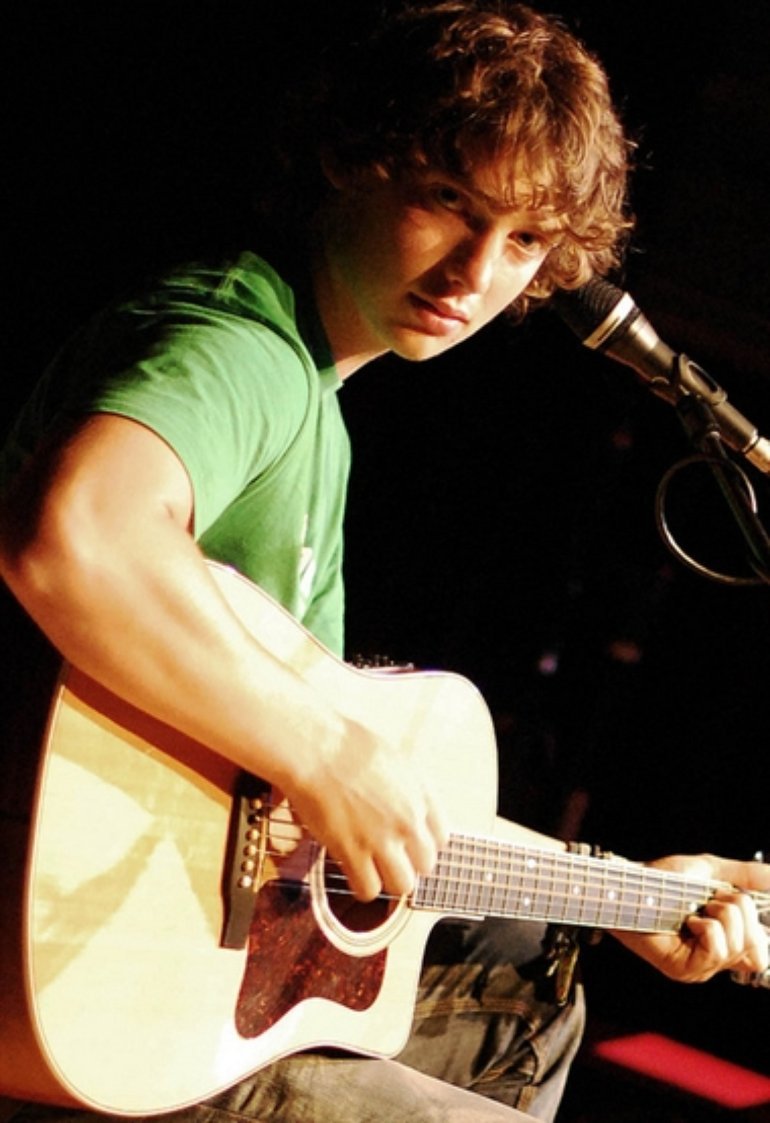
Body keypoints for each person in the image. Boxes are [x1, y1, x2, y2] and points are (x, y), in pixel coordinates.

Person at [0, 2, 768, 1121]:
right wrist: (323, 749)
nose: (476, 270)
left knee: (527, 987)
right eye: (449, 201)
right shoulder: (239, 347)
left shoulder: (316, 401)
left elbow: (352, 812)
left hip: (151, 964)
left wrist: (621, 891)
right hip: (79, 958)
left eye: (524, 242)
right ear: (351, 158)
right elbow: (76, 536)